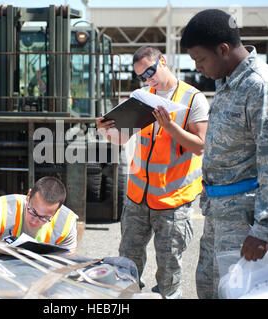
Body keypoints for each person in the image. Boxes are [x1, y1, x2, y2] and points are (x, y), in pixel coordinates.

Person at [180, 9, 268, 299]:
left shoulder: (262, 88)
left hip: (244, 220)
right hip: (219, 214)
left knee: (240, 295)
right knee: (210, 289)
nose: (198, 67)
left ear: (223, 50)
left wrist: (264, 231)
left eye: (200, 59)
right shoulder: (227, 81)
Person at [96, 46, 210, 298]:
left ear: (164, 62)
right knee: (126, 266)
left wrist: (169, 126)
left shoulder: (192, 99)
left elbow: (200, 146)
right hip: (137, 199)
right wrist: (104, 129)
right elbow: (120, 139)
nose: (148, 79)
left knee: (168, 273)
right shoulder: (143, 98)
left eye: (150, 71)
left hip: (172, 202)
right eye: (142, 76)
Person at [0, 176, 78, 253]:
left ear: (58, 210)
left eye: (44, 218)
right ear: (28, 196)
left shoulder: (67, 223)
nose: (34, 220)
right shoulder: (0, 210)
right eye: (32, 211)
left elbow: (67, 263)